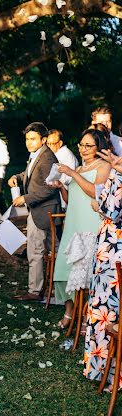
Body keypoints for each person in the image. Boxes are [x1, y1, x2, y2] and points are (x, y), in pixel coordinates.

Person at [52, 129, 110, 328]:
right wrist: (61, 186)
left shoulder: (104, 166)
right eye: (81, 145)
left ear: (98, 147)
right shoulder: (80, 168)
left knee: (85, 276)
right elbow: (72, 199)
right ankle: (70, 311)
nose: (83, 149)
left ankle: (86, 317)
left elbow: (96, 193)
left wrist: (72, 174)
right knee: (63, 271)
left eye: (88, 145)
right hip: (73, 224)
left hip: (89, 225)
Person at [8, 122, 60, 301]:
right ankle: (47, 289)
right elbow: (30, 176)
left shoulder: (47, 158)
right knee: (46, 250)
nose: (28, 143)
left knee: (37, 251)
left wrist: (25, 198)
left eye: (32, 139)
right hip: (39, 210)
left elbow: (50, 189)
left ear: (43, 139)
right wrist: (17, 177)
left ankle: (35, 291)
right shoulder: (37, 154)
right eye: (27, 139)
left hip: (44, 211)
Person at [83, 150, 122, 390]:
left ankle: (111, 372)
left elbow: (113, 211)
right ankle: (104, 369)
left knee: (109, 307)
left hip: (115, 248)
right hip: (110, 245)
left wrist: (99, 205)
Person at [47, 129, 79, 209]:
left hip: (68, 199)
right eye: (48, 144)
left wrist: (55, 178)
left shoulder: (66, 155)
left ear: (60, 143)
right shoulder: (55, 154)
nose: (49, 147)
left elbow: (69, 178)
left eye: (52, 144)